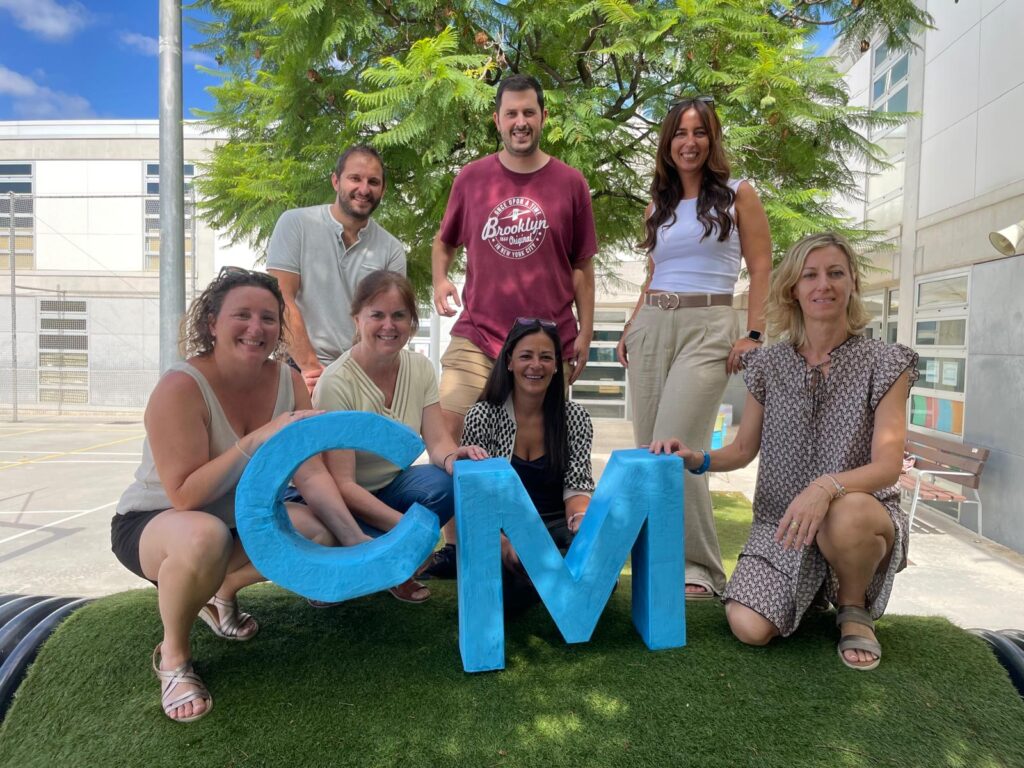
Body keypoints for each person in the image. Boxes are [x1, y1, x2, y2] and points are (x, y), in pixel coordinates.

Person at [111, 268, 371, 724]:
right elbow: (185, 495)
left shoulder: (288, 381)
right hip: (159, 523)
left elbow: (311, 474)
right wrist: (257, 439)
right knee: (204, 536)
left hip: (238, 519)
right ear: (212, 322)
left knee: (319, 531)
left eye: (268, 318)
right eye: (242, 315)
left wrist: (356, 543)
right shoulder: (180, 387)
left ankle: (223, 591)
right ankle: (173, 657)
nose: (256, 328)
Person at [651, 232, 918, 671]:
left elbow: (888, 466)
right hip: (783, 528)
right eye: (810, 275)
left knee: (845, 512)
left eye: (835, 273)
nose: (823, 285)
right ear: (793, 288)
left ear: (852, 282)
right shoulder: (768, 364)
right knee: (748, 628)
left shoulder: (885, 362)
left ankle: (853, 608)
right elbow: (743, 449)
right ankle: (807, 595)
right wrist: (697, 458)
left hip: (857, 518)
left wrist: (825, 487)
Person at [428, 73, 599, 575]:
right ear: (497, 120)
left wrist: (586, 332)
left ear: (543, 117)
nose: (520, 122)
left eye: (529, 112)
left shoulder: (571, 183)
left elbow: (582, 266)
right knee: (451, 431)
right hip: (478, 334)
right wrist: (440, 279)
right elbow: (444, 242)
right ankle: (458, 546)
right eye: (511, 114)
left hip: (544, 346)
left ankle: (544, 536)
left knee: (546, 444)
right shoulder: (472, 178)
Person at [616, 96, 772, 600]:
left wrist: (754, 333)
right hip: (652, 323)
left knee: (676, 447)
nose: (690, 142)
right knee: (649, 452)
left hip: (709, 324)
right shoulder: (657, 206)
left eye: (699, 132)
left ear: (712, 139)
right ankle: (656, 562)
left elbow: (762, 265)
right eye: (680, 133)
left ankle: (700, 568)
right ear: (668, 143)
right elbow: (654, 273)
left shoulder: (738, 194)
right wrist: (631, 325)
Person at [312, 271, 488, 603]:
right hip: (342, 504)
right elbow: (343, 484)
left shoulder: (420, 368)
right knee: (346, 529)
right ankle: (367, 565)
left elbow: (438, 442)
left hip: (392, 488)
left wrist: (454, 457)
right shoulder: (336, 382)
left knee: (448, 482)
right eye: (377, 315)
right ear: (357, 319)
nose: (388, 325)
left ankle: (394, 567)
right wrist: (409, 532)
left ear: (412, 321)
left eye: (399, 315)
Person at [461, 317, 596, 613]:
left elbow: (578, 487)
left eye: (546, 357)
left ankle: (548, 584)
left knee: (595, 562)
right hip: (505, 533)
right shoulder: (482, 416)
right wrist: (503, 545)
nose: (536, 365)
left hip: (557, 527)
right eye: (526, 356)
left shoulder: (575, 417)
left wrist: (581, 521)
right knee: (498, 591)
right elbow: (475, 499)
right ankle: (550, 587)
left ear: (557, 365)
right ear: (509, 362)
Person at [268, 145, 406, 394]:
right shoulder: (296, 224)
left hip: (363, 374)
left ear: (383, 190)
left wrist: (356, 379)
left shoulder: (392, 249)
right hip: (301, 369)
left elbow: (390, 321)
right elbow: (281, 299)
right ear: (335, 181)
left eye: (373, 182)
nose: (364, 189)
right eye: (355, 178)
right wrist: (311, 369)